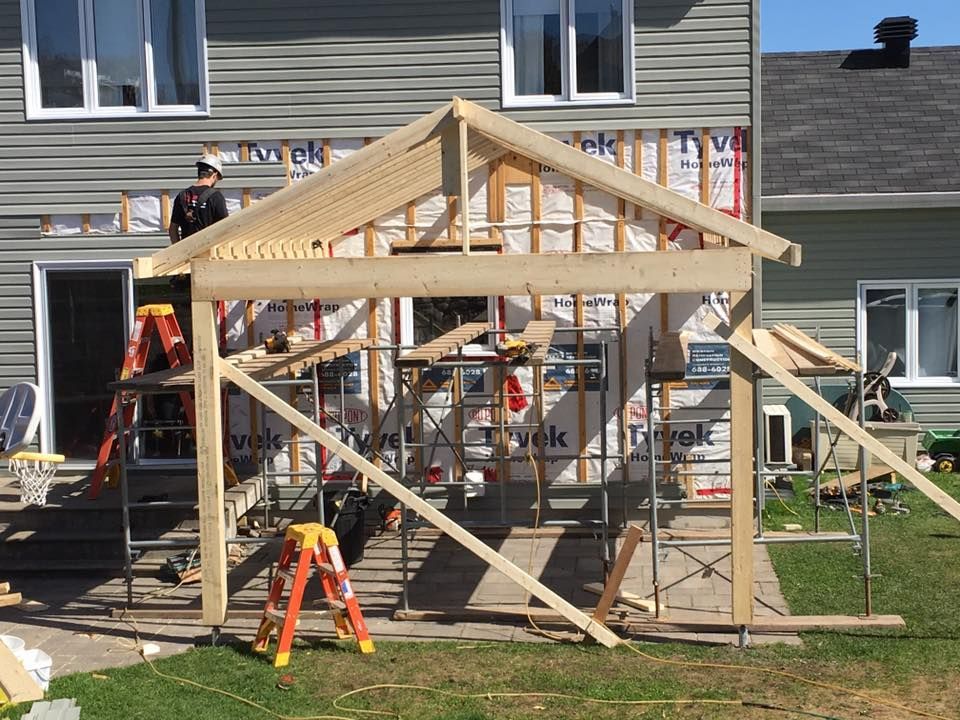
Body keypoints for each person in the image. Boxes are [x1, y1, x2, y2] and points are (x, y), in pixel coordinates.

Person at [168, 154, 228, 244]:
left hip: (186, 252)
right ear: (214, 175)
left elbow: (173, 229)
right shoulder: (216, 197)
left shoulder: (182, 195)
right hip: (208, 253)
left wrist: (178, 252)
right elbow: (226, 227)